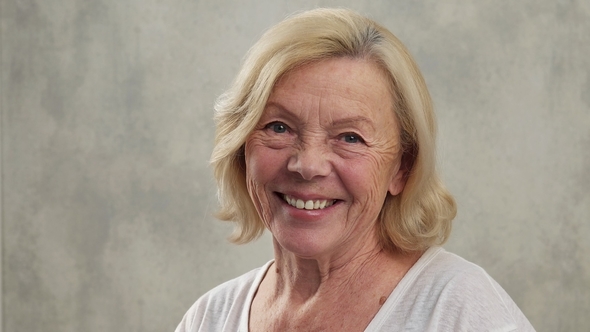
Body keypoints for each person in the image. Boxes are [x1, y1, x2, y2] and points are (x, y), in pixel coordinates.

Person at [176, 8, 535, 332]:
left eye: (350, 137)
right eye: (279, 128)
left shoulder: (460, 311)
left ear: (402, 168)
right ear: (241, 147)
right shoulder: (209, 318)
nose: (308, 166)